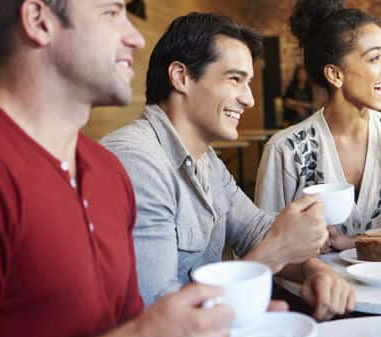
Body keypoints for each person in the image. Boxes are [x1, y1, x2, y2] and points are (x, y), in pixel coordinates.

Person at [0, 1, 245, 337]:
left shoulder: (108, 171)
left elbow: (131, 328)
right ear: (39, 21)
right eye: (111, 12)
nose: (135, 38)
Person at [101, 12, 355, 320]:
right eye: (234, 79)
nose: (248, 99)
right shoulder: (138, 161)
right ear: (181, 77)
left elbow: (255, 230)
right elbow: (157, 317)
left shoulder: (206, 160)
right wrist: (278, 250)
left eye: (248, 82)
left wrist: (313, 271)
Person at [255, 0, 381, 251]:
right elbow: (263, 244)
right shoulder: (285, 149)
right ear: (335, 75)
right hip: (313, 288)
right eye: (374, 58)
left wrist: (358, 242)